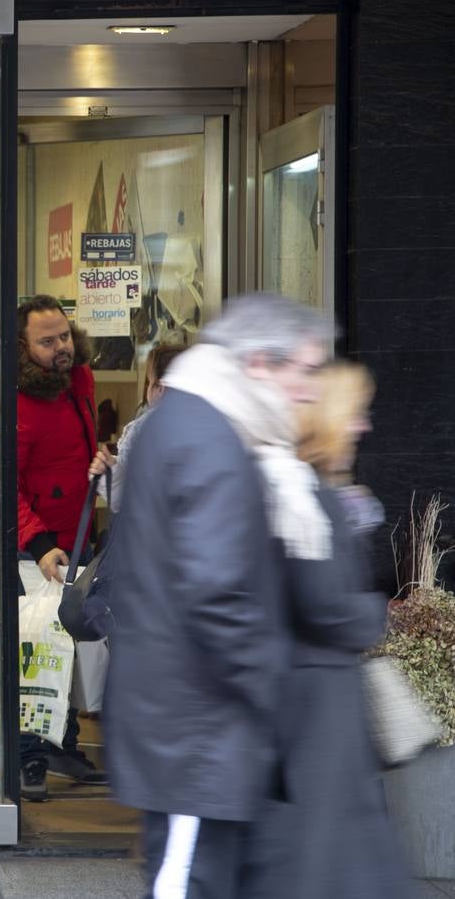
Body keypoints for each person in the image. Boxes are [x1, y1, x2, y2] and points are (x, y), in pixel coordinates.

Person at [103, 292, 332, 899]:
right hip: (197, 734)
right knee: (185, 882)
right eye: (306, 372)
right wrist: (275, 687)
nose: (313, 390)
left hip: (188, 724)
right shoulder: (214, 443)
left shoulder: (187, 421)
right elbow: (219, 595)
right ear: (260, 364)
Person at [245, 362, 415, 899]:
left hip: (320, 713)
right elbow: (325, 606)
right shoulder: (307, 497)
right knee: (326, 864)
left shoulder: (319, 493)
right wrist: (376, 613)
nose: (364, 426)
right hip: (318, 715)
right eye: (357, 413)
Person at [15, 294, 113, 800]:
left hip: (76, 539)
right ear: (23, 346)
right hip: (40, 546)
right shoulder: (17, 402)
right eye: (47, 341)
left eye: (64, 337)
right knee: (35, 649)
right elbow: (3, 486)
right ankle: (28, 755)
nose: (61, 348)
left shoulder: (81, 381)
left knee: (66, 645)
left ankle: (61, 743)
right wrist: (38, 543)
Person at [103, 342, 187, 513]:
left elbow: (125, 495)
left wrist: (110, 470)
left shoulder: (144, 429)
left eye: (149, 382)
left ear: (160, 388)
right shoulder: (210, 423)